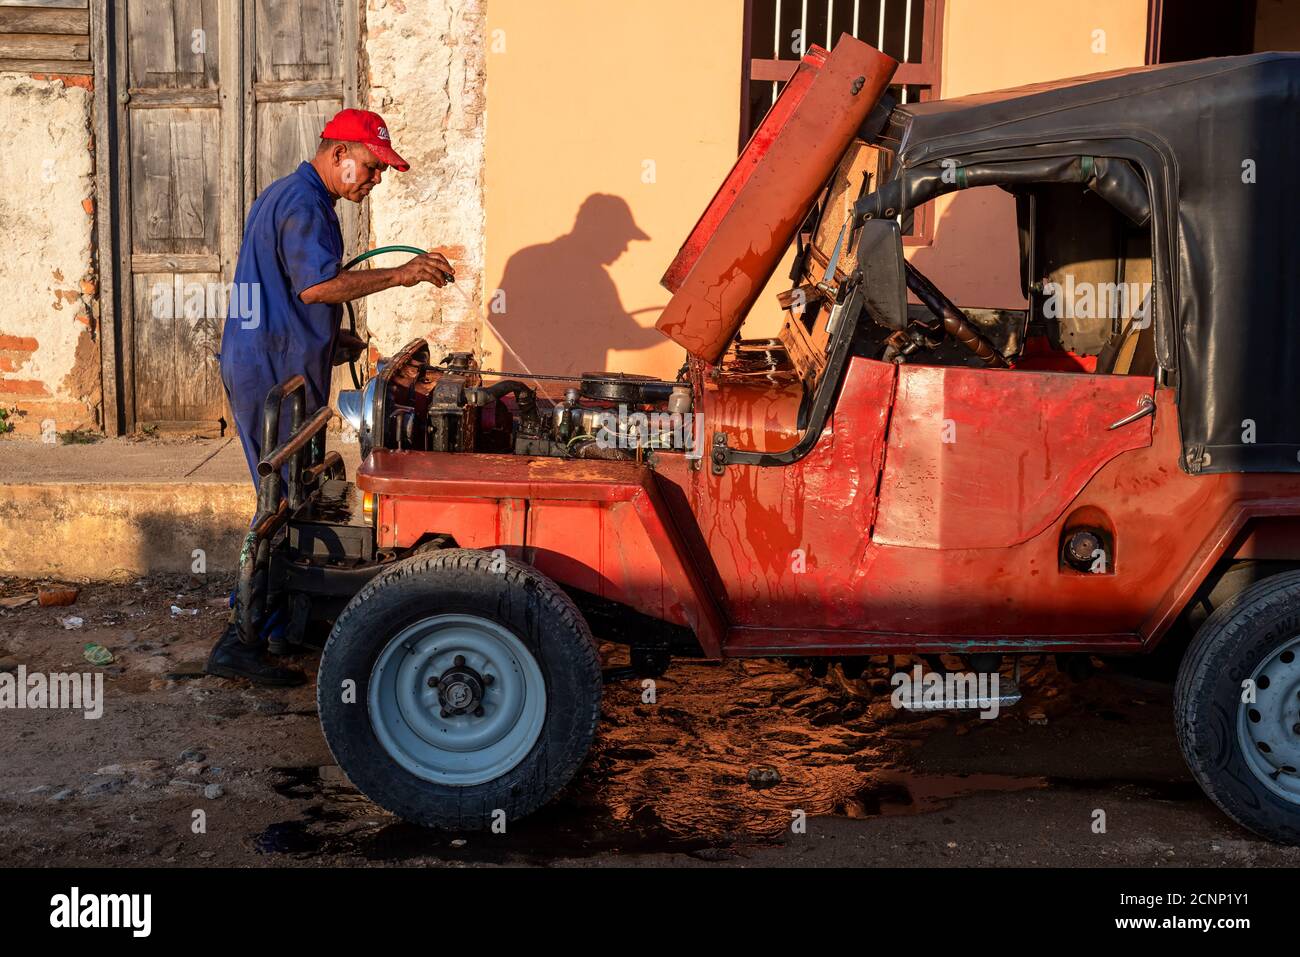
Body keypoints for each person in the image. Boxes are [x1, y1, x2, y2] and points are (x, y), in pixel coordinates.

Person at [207, 108, 455, 685]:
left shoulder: (294, 195)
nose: (374, 180)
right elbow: (315, 285)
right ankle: (240, 642)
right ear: (340, 153)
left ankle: (273, 626)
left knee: (293, 497)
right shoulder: (304, 204)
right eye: (370, 168)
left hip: (275, 356)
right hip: (273, 370)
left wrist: (331, 335)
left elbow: (285, 288)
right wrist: (402, 274)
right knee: (281, 504)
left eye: (381, 172)